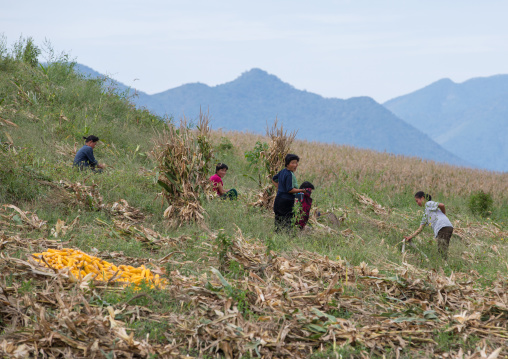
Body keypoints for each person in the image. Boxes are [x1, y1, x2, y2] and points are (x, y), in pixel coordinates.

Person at [404, 191, 454, 259]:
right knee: (442, 249)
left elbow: (442, 205)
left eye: (417, 200)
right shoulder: (426, 214)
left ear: (422, 198)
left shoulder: (428, 203)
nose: (417, 203)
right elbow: (420, 228)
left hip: (442, 226)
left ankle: (444, 266)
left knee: (442, 251)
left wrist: (444, 215)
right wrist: (410, 237)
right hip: (446, 226)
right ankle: (444, 265)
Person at [272, 154, 306, 233]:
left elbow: (273, 179)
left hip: (278, 199)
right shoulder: (289, 175)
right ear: (287, 164)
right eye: (293, 163)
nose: (295, 165)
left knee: (278, 220)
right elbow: (290, 190)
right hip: (286, 201)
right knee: (287, 221)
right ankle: (287, 237)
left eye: (296, 163)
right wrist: (302, 190)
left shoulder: (283, 171)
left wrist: (279, 187)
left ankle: (277, 235)